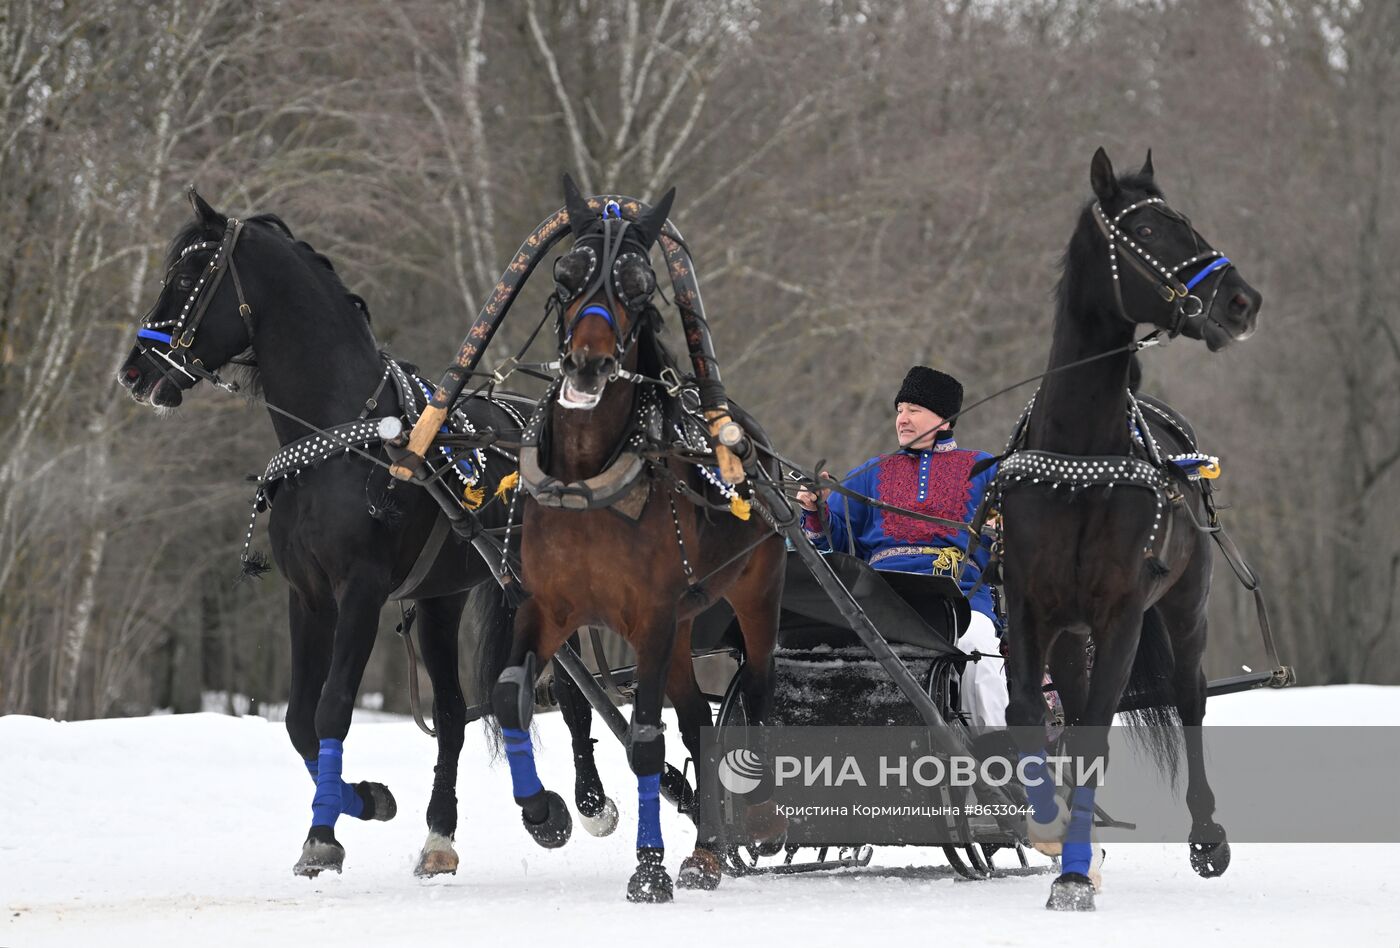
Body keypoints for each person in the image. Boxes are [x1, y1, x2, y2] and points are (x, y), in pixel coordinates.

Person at [796, 366, 1007, 730]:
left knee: (980, 654)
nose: (903, 419)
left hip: (959, 599)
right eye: (899, 410)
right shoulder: (872, 472)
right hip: (881, 596)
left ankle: (1001, 761)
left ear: (944, 420)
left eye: (914, 410)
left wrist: (1002, 532)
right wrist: (816, 511)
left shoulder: (984, 468)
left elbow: (1018, 538)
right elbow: (835, 546)